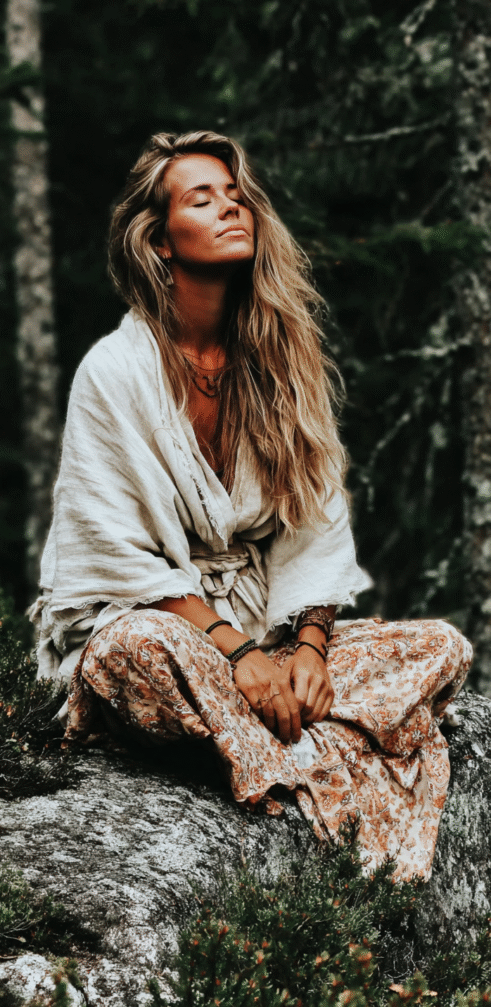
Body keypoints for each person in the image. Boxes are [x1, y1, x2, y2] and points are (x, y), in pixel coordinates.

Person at [31, 130, 472, 880]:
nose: (230, 209)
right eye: (201, 199)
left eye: (237, 198)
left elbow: (314, 529)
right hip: (160, 627)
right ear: (160, 241)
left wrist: (306, 650)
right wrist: (235, 655)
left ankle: (273, 738)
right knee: (138, 656)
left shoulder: (282, 360)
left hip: (263, 634)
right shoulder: (113, 371)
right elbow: (109, 557)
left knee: (441, 647)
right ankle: (328, 752)